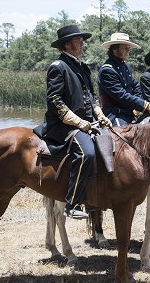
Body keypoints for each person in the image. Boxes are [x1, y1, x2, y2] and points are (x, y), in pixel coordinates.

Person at [41, 25, 112, 219]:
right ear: (67, 44)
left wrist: (100, 115)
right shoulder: (58, 67)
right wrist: (79, 122)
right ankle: (72, 203)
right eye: (78, 40)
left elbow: (91, 96)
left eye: (82, 39)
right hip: (63, 126)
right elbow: (55, 102)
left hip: (86, 122)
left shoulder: (82, 67)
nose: (82, 43)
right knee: (86, 153)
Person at [97, 33, 150, 126]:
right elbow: (121, 95)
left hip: (130, 110)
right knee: (123, 137)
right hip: (116, 113)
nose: (128, 51)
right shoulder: (107, 70)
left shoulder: (126, 66)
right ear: (114, 49)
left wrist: (138, 107)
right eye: (125, 48)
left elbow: (135, 86)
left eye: (129, 48)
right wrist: (144, 105)